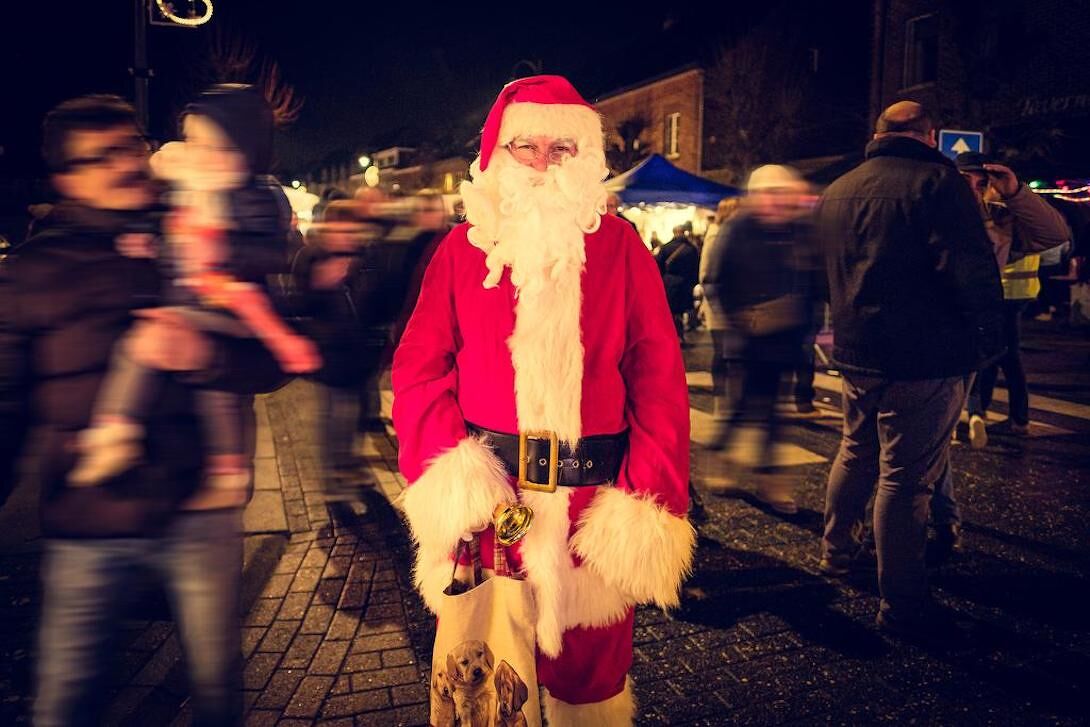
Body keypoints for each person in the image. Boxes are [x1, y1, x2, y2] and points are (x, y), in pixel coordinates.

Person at [392, 75, 694, 725]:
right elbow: (419, 369)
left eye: (562, 147)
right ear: (498, 153)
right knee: (490, 672)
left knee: (590, 682)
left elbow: (660, 380)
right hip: (500, 503)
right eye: (525, 144)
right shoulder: (459, 252)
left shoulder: (623, 249)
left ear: (585, 157)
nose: (541, 161)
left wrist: (645, 497)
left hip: (593, 505)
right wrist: (457, 477)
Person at [0, 94, 288, 727]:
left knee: (216, 687)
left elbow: (271, 359)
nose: (125, 164)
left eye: (130, 145)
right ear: (65, 177)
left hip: (198, 513)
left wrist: (204, 356)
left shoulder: (196, 231)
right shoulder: (32, 270)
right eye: (99, 157)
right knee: (67, 697)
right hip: (87, 521)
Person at [67, 85, 320, 501]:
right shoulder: (186, 194)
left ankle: (119, 432)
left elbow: (270, 253)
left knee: (155, 350)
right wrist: (156, 245)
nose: (196, 153)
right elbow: (179, 246)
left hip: (226, 304)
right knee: (205, 384)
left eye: (209, 145)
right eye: (191, 142)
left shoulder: (249, 194)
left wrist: (224, 249)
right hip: (202, 304)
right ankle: (220, 467)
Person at [815, 101, 1004, 636]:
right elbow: (970, 269)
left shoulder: (839, 188)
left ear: (878, 134)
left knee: (855, 450)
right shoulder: (938, 184)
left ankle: (835, 553)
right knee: (905, 478)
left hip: (855, 348)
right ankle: (901, 601)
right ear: (930, 136)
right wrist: (987, 339)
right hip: (925, 354)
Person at [710, 165, 821, 514]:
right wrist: (739, 320)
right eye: (773, 195)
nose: (780, 203)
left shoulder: (798, 231)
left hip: (783, 341)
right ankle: (723, 460)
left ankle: (768, 480)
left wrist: (804, 326)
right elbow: (718, 281)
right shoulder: (737, 230)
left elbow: (811, 282)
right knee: (743, 407)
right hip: (746, 341)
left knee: (773, 413)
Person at [956, 152, 1071, 447]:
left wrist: (1016, 191)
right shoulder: (938, 212)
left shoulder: (999, 218)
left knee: (997, 357)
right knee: (997, 358)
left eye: (982, 184)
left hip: (1001, 301)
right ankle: (985, 414)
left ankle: (982, 413)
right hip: (957, 314)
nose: (974, 190)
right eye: (967, 181)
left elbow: (1056, 234)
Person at [699, 197, 741, 421]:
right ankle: (721, 403)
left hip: (734, 308)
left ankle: (731, 402)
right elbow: (706, 275)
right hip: (720, 308)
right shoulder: (716, 236)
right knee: (722, 355)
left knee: (733, 356)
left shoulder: (734, 237)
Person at [656, 224, 700, 344]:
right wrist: (694, 282)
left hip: (669, 282)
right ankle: (680, 334)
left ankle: (671, 335)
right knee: (681, 310)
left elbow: (658, 266)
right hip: (685, 283)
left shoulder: (665, 248)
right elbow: (696, 267)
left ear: (674, 233)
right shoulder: (691, 249)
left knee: (670, 310)